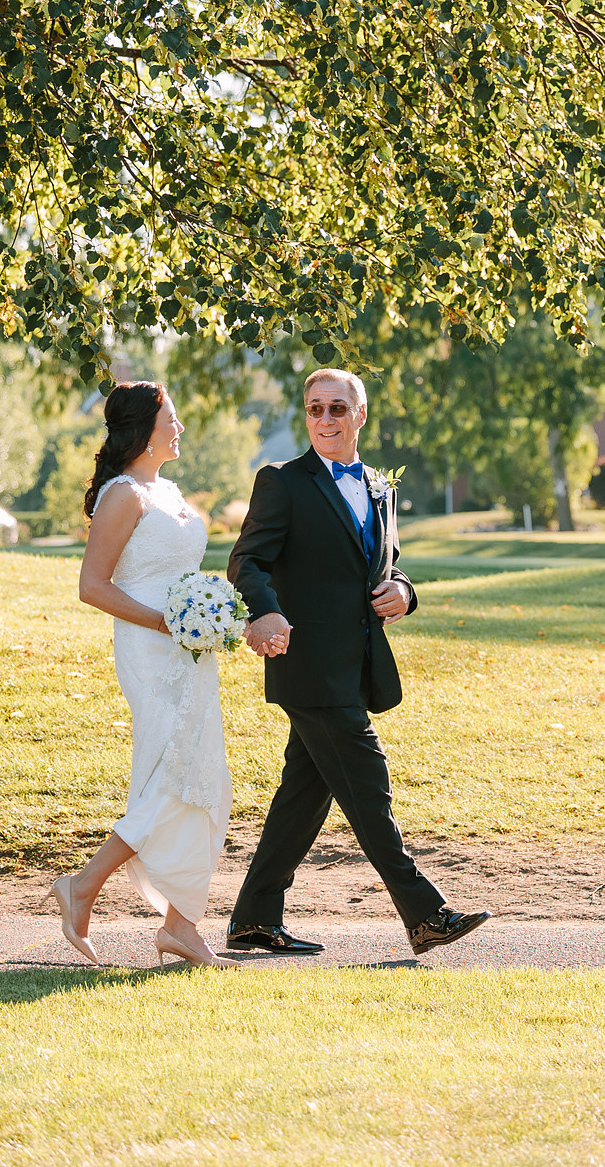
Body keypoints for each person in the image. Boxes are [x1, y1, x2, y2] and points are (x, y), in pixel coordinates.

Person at [222, 367, 489, 957]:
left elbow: (385, 566)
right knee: (368, 784)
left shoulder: (378, 486)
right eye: (314, 409)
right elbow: (247, 563)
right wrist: (263, 612)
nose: (324, 420)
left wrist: (405, 591)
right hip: (306, 663)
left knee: (303, 794)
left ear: (360, 414)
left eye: (336, 409)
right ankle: (425, 913)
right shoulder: (283, 482)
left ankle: (253, 919)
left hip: (356, 664)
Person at [44, 382, 249, 968]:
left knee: (206, 777)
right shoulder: (124, 495)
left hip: (191, 652)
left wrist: (212, 613)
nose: (179, 428)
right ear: (145, 428)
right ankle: (82, 885)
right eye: (172, 419)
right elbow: (92, 586)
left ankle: (181, 925)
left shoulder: (169, 489)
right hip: (152, 650)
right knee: (172, 776)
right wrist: (168, 622)